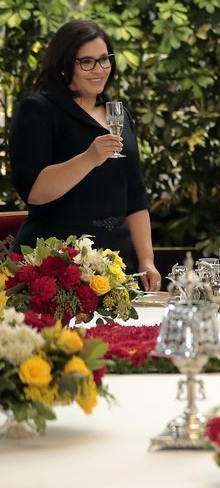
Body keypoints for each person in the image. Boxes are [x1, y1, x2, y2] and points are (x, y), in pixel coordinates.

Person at [8, 19, 161, 291]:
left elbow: (135, 196)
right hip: (56, 263)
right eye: (86, 62)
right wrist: (89, 158)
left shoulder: (118, 115)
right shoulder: (38, 111)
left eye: (104, 60)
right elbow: (34, 191)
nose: (99, 69)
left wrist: (147, 260)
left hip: (115, 264)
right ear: (65, 66)